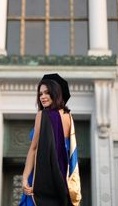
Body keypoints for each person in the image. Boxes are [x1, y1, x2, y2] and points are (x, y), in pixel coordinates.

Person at [19, 73, 82, 206]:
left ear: (56, 93)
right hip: (62, 179)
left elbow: (33, 148)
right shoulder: (69, 117)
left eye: (47, 92)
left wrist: (24, 178)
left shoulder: (42, 115)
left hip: (40, 177)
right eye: (40, 94)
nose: (42, 97)